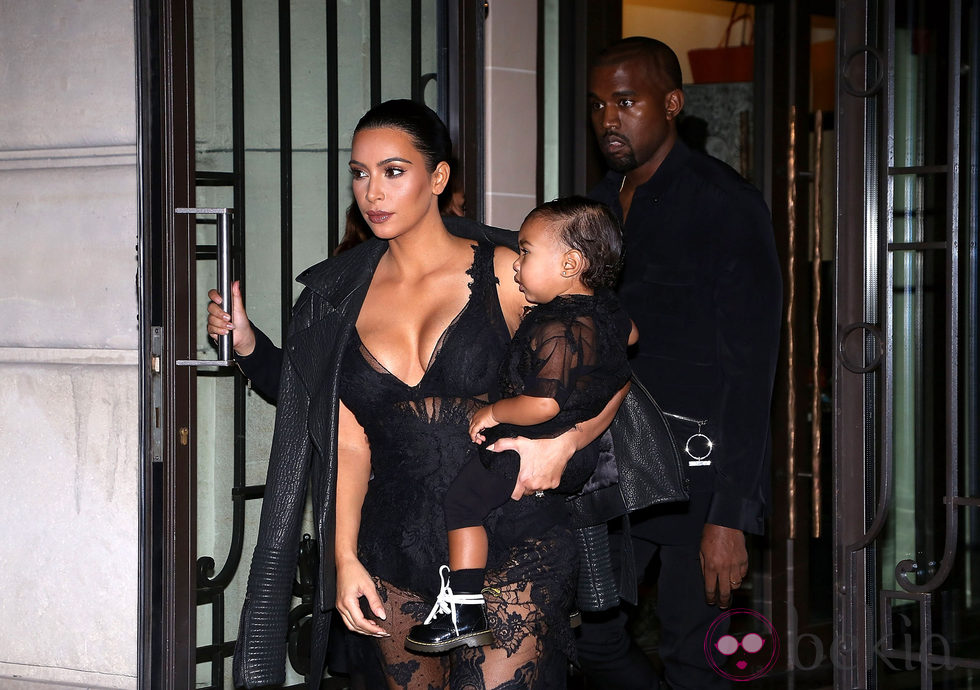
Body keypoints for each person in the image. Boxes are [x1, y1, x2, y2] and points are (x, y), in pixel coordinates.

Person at [221, 99, 628, 690]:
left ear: (437, 178)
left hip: (510, 537)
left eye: (393, 171)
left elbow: (610, 361)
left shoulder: (510, 272)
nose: (372, 191)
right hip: (392, 552)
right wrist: (344, 560)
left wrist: (566, 443)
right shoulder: (335, 297)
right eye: (360, 173)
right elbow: (348, 445)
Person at [574, 37, 782, 689]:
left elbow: (751, 372)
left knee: (700, 660)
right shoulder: (593, 208)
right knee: (587, 642)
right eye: (599, 104)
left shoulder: (726, 205)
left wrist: (730, 513)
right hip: (608, 472)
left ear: (671, 104)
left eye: (626, 101)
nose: (609, 118)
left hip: (697, 476)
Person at [404, 196, 637, 654]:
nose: (516, 266)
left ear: (571, 263)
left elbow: (543, 405)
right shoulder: (605, 312)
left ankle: (462, 608)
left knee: (463, 503)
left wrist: (494, 412)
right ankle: (557, 598)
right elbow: (631, 336)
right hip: (578, 454)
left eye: (527, 253)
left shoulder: (557, 327)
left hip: (532, 443)